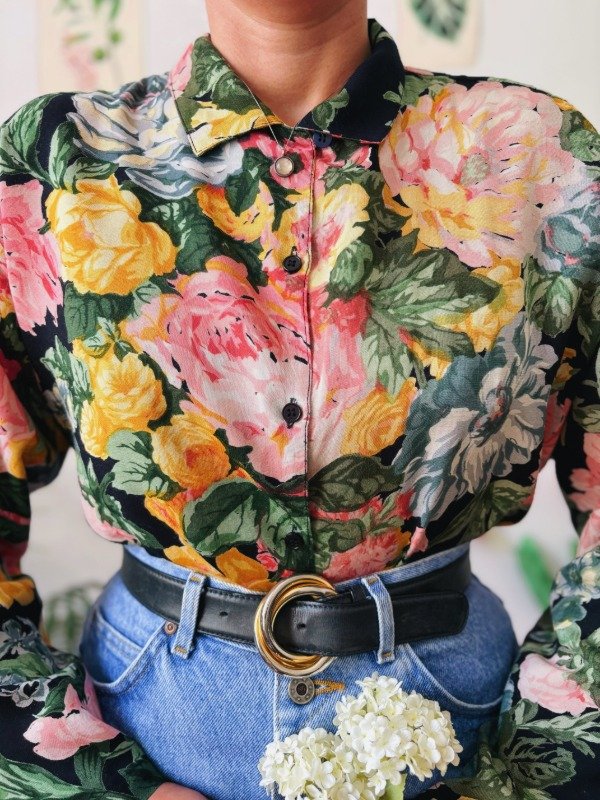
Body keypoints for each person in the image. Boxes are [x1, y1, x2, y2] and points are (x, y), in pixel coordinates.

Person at [0, 0, 598, 798]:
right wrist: (87, 780)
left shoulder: (540, 157)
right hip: (145, 715)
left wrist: (536, 765)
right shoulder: (55, 162)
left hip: (459, 723)